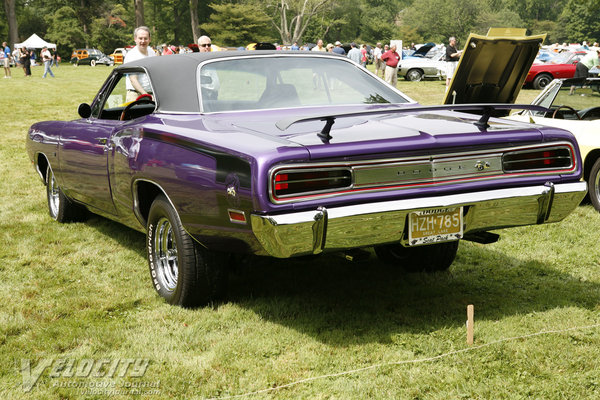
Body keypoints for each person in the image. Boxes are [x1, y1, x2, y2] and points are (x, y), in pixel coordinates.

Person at [124, 26, 156, 101]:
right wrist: (146, 95)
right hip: (135, 95)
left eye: (145, 38)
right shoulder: (131, 55)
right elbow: (133, 80)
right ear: (135, 39)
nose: (143, 41)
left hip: (150, 94)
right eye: (140, 38)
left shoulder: (151, 52)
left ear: (149, 39)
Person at [198, 35, 220, 100]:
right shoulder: (197, 61)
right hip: (204, 95)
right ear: (199, 47)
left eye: (209, 45)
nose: (207, 47)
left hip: (214, 95)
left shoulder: (212, 59)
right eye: (204, 45)